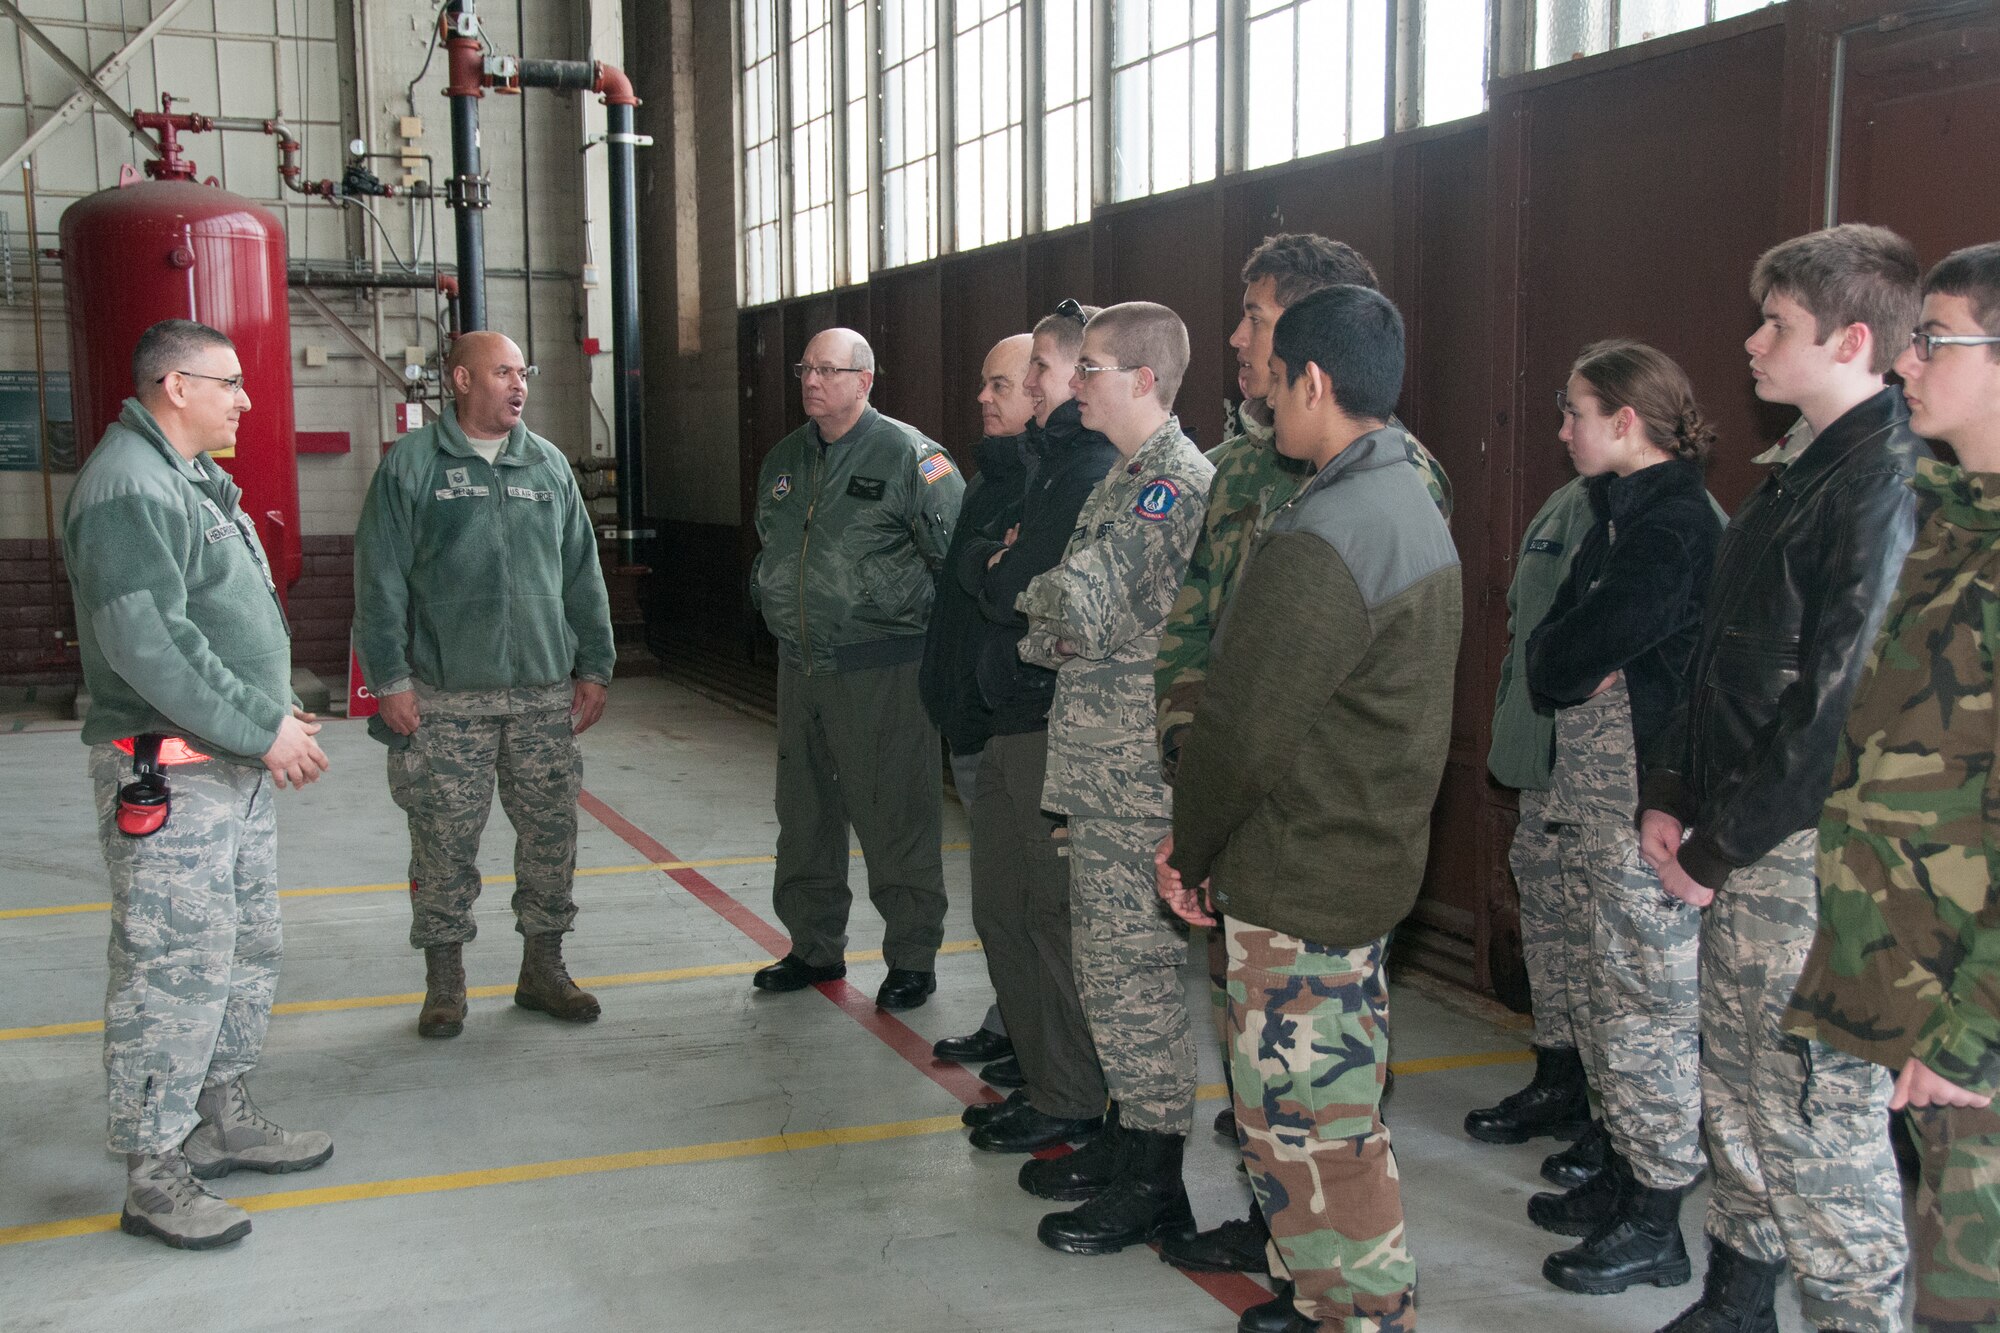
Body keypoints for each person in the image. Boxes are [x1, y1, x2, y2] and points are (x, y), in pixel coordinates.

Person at [1640, 223, 1925, 1333]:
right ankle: (1737, 1302)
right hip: (1735, 843)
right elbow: (1716, 657)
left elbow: (1837, 707)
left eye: (1775, 324)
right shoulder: (1796, 474)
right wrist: (1666, 787)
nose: (1750, 342)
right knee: (1739, 1095)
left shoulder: (1880, 481)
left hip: (1799, 857)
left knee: (1815, 1125)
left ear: (1852, 340)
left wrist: (1717, 846)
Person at [1153, 232, 1452, 1278]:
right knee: (1302, 1122)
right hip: (1315, 847)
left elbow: (1256, 717)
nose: (1250, 361)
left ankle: (1350, 1297)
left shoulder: (1343, 517)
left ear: (1313, 370)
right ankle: (1308, 1265)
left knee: (1316, 1131)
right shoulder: (1369, 496)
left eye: (1264, 339)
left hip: (1301, 853)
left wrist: (1190, 844)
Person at [64, 318, 333, 1249]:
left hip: (228, 765)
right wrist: (260, 725)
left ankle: (220, 1115)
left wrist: (276, 709)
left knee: (239, 950)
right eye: (229, 382)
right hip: (172, 770)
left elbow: (223, 623)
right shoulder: (127, 486)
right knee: (170, 974)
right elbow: (151, 646)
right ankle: (154, 1173)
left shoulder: (192, 481)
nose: (245, 398)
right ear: (175, 386)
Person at [1785, 241, 2000, 1333]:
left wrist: (1975, 1033)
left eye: (1936, 339)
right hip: (1922, 990)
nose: (1908, 363)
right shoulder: (1957, 520)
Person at [1519, 342, 1723, 1296]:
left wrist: (1579, 654)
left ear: (1626, 421)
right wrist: (1575, 655)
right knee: (1607, 995)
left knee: (1647, 1004)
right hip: (1594, 791)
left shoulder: (1674, 523)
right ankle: (1622, 1167)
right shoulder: (1612, 517)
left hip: (1643, 797)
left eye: (1576, 413)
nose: (1564, 432)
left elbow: (1592, 643)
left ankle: (1657, 1217)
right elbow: (1551, 655)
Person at [1015, 301, 1213, 1255]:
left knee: (1135, 976)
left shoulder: (1171, 485)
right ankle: (1131, 1139)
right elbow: (1069, 606)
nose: (1075, 382)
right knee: (1108, 970)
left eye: (1089, 367)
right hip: (1100, 771)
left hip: (1140, 779)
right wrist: (1052, 603)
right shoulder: (1126, 481)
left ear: (1143, 380)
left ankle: (1158, 1179)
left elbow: (1080, 604)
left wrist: (1027, 588)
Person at [354, 330, 614, 1039]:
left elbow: (581, 574)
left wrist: (594, 664)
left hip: (539, 693)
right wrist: (391, 680)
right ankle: (445, 983)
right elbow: (377, 585)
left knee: (551, 837)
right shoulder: (412, 466)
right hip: (443, 698)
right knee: (442, 841)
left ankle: (544, 969)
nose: (518, 383)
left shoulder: (549, 466)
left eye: (522, 371)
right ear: (462, 380)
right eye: (502, 372)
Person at [749, 327, 966, 1010]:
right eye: (805, 368)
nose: (813, 381)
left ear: (865, 380)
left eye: (829, 370)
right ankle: (813, 946)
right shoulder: (784, 458)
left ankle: (911, 955)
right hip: (801, 664)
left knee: (895, 812)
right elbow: (773, 544)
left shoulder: (912, 457)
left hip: (885, 667)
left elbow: (955, 561)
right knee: (804, 812)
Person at [959, 302, 1119, 1154]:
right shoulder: (1051, 465)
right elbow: (1001, 573)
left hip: (1049, 718)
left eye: (1044, 374)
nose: (1031, 389)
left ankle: (1072, 1094)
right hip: (1010, 715)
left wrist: (1005, 568)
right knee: (1004, 912)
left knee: (1048, 920)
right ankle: (1046, 1076)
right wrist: (1005, 568)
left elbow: (1025, 586)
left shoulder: (1093, 469)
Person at [1465, 472, 1597, 1173]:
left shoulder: (1660, 511)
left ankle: (1610, 1108)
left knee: (1595, 949)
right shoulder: (1563, 498)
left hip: (1594, 780)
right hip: (1539, 769)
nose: (1565, 425)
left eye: (1579, 410)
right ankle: (1559, 1076)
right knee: (1547, 933)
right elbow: (1525, 624)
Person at [922, 333, 1035, 1069]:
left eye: (1000, 386)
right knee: (998, 896)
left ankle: (1033, 1035)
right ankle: (1011, 1017)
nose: (982, 398)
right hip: (968, 717)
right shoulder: (990, 475)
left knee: (1023, 898)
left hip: (1003, 719)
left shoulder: (1041, 480)